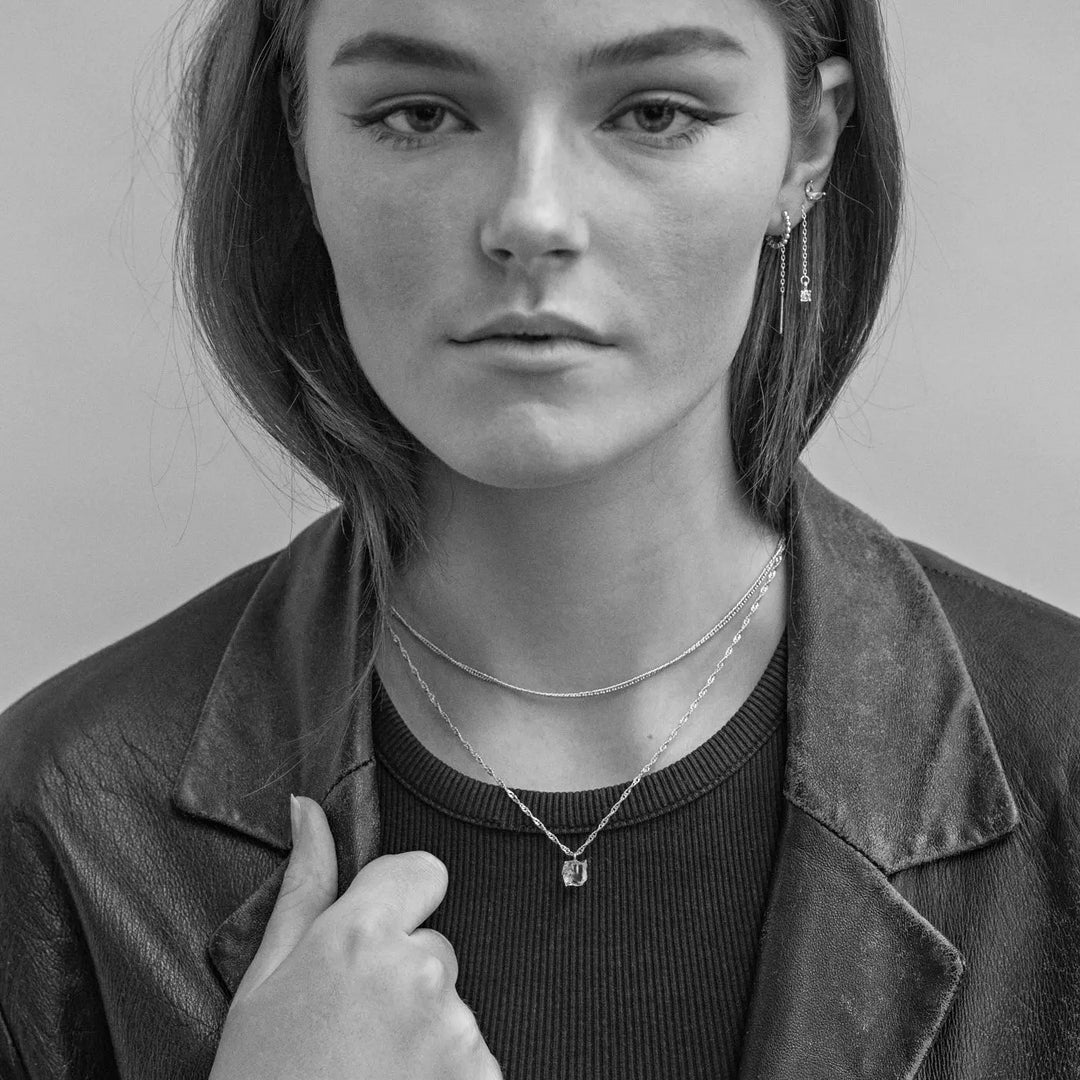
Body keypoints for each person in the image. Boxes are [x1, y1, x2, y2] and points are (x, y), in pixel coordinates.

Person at [1, 0, 1078, 1075]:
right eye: (420, 114)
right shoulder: (63, 825)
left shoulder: (1062, 764)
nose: (531, 216)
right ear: (301, 143)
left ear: (807, 144)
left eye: (653, 112)